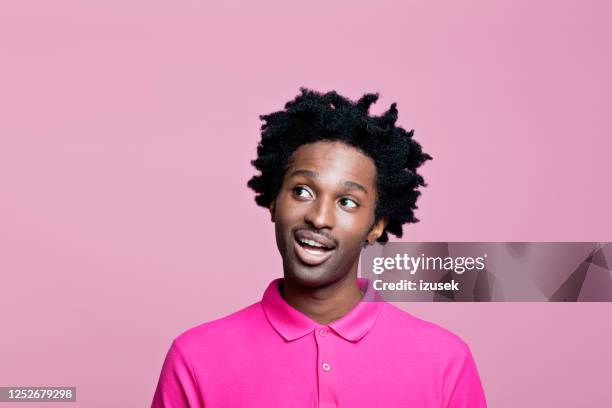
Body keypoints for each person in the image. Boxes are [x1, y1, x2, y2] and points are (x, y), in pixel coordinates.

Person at [151, 88, 487, 407]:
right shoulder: (196, 358)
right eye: (302, 192)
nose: (319, 217)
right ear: (273, 201)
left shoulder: (445, 362)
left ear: (377, 225)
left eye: (347, 201)